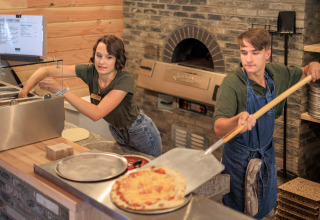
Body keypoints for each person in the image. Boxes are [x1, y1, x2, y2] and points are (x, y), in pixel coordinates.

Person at [213, 28, 320, 219]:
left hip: (266, 158)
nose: (249, 59)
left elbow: (304, 72)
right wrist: (236, 120)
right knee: (237, 212)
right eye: (244, 52)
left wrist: (312, 65)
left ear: (267, 53)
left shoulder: (276, 75)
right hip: (239, 163)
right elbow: (218, 127)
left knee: (267, 206)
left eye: (255, 53)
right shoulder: (233, 83)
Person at [19, 35, 162, 157]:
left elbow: (96, 113)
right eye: (98, 55)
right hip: (117, 131)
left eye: (109, 57)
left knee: (151, 170)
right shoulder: (90, 71)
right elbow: (45, 70)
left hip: (140, 131)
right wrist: (24, 92)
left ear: (117, 60)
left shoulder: (124, 80)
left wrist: (61, 90)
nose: (101, 62)